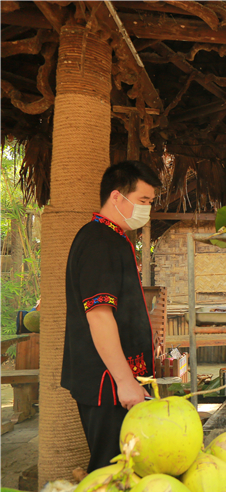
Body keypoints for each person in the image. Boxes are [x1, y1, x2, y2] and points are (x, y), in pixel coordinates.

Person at [62, 160, 161, 472]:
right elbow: (99, 316)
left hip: (120, 381)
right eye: (143, 200)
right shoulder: (99, 241)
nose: (147, 209)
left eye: (150, 202)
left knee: (128, 468)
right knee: (112, 469)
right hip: (109, 383)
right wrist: (125, 381)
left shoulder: (113, 238)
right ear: (117, 196)